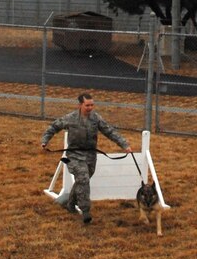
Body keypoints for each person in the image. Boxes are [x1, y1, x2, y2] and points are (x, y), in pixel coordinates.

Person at [40, 93, 132, 224]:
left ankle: (70, 204)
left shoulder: (96, 118)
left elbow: (109, 131)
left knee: (82, 180)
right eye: (87, 105)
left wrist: (124, 144)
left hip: (90, 155)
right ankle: (85, 211)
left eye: (92, 105)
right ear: (80, 105)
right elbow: (53, 127)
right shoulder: (70, 118)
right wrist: (45, 141)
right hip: (74, 155)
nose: (90, 108)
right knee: (82, 178)